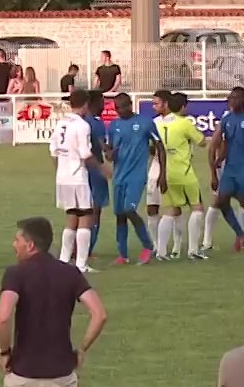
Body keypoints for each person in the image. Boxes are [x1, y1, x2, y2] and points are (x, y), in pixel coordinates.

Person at [0, 217, 108, 387]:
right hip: (61, 371)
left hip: (23, 371)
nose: (14, 245)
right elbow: (99, 314)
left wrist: (5, 351)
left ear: (30, 245)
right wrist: (82, 349)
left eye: (18, 240)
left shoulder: (16, 274)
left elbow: (3, 317)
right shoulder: (69, 273)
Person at [51, 89, 112, 273]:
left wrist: (61, 170)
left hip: (63, 177)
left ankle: (63, 261)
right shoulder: (82, 125)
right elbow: (85, 154)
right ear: (85, 104)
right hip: (78, 176)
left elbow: (53, 151)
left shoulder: (61, 123)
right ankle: (81, 264)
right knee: (85, 217)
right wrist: (102, 169)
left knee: (71, 217)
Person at [109, 93, 164, 265]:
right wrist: (109, 154)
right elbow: (111, 150)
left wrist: (162, 173)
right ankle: (123, 255)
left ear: (130, 104)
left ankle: (148, 246)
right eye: (117, 108)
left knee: (129, 209)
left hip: (136, 176)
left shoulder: (145, 123)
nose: (120, 111)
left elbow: (160, 146)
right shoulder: (114, 125)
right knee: (120, 214)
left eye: (123, 107)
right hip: (119, 176)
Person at [209, 87, 244, 253]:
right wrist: (219, 159)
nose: (232, 101)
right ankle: (240, 234)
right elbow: (227, 143)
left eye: (236, 98)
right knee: (222, 201)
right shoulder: (227, 119)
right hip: (230, 168)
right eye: (230, 98)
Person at [157, 92, 209, 260]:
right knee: (197, 208)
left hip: (166, 173)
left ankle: (161, 252)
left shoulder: (157, 123)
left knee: (170, 211)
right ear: (182, 107)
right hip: (184, 172)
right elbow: (202, 141)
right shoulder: (184, 123)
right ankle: (193, 250)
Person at [84, 91, 111, 262]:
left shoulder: (80, 121)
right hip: (95, 170)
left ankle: (76, 247)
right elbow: (104, 147)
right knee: (95, 211)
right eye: (102, 102)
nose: (104, 105)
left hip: (79, 170)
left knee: (79, 210)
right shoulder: (96, 123)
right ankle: (87, 248)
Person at [144, 90, 172, 256]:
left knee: (170, 209)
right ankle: (156, 245)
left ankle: (167, 247)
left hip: (170, 168)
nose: (153, 107)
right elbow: (151, 148)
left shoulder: (177, 122)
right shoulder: (153, 122)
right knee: (152, 208)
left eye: (156, 103)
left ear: (166, 103)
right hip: (154, 168)